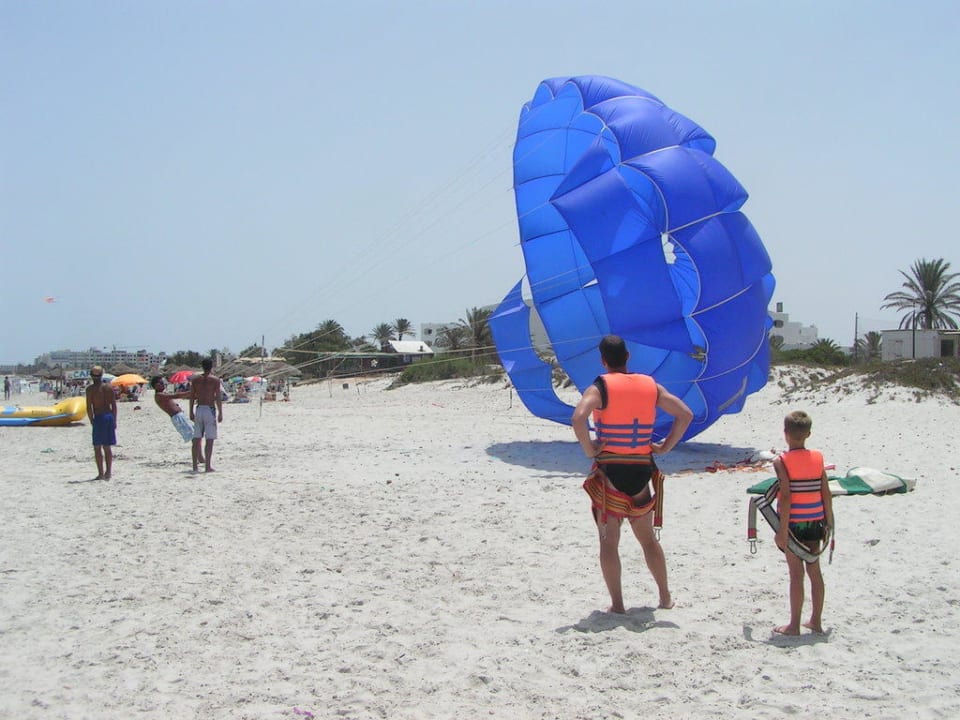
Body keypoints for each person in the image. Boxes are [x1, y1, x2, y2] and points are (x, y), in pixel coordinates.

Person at [571, 335, 693, 614]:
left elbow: (579, 417)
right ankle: (664, 597)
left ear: (603, 361)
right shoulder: (651, 386)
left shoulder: (600, 387)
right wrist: (664, 447)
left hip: (610, 472)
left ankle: (618, 604)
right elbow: (684, 414)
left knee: (609, 542)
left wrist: (590, 449)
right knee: (648, 539)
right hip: (640, 471)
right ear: (628, 357)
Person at [772, 410, 834, 635]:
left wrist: (782, 530)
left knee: (795, 574)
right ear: (808, 434)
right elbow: (825, 492)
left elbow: (786, 496)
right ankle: (816, 621)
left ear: (785, 433)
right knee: (814, 571)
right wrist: (829, 522)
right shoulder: (818, 458)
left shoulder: (781, 461)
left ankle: (794, 625)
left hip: (794, 526)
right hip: (815, 523)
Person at [150, 375, 202, 452]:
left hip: (180, 416)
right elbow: (177, 395)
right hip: (178, 418)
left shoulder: (162, 394)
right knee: (194, 436)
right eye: (162, 383)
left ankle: (200, 456)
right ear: (156, 385)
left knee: (196, 434)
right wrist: (192, 391)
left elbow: (178, 396)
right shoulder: (159, 395)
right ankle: (199, 457)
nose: (164, 384)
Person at [189, 358, 223, 473]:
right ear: (211, 366)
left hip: (199, 409)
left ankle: (195, 466)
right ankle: (207, 466)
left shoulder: (195, 380)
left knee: (197, 438)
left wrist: (190, 411)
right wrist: (220, 412)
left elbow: (192, 397)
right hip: (209, 409)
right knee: (209, 439)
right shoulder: (215, 380)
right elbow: (217, 397)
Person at [84, 365, 117, 479]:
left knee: (97, 447)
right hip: (108, 416)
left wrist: (91, 420)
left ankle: (101, 473)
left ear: (91, 376)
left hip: (99, 417)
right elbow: (113, 406)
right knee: (107, 447)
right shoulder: (108, 388)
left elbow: (89, 407)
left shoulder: (90, 389)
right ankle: (108, 473)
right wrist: (114, 420)